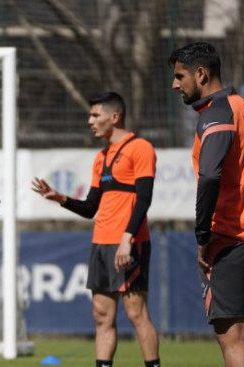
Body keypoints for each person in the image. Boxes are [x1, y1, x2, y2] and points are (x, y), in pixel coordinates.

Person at [169, 41, 244, 367]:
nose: (175, 84)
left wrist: (203, 236)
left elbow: (209, 178)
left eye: (180, 76)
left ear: (201, 74)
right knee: (233, 334)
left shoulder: (215, 115)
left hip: (229, 239)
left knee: (232, 338)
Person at [32, 92, 161, 367]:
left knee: (136, 313)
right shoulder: (101, 157)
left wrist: (127, 239)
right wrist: (60, 198)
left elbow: (144, 198)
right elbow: (91, 207)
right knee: (102, 315)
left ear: (114, 117)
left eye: (95, 115)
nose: (89, 121)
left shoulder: (141, 148)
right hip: (101, 242)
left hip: (129, 242)